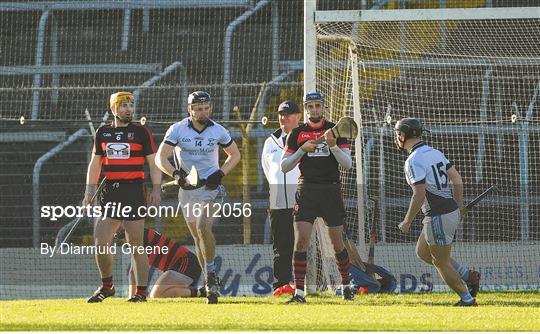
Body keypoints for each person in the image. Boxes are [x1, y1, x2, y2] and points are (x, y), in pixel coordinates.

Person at [155, 91, 241, 304]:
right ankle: (208, 282)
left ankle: (211, 277)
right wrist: (176, 174)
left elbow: (235, 154)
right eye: (199, 109)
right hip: (187, 190)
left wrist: (220, 173)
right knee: (197, 238)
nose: (203, 112)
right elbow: (160, 157)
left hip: (212, 189)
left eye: (206, 108)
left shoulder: (218, 130)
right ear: (190, 110)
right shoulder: (177, 129)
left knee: (204, 228)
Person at [84, 91, 162, 303]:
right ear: (113, 109)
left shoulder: (141, 132)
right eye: (124, 105)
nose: (128, 108)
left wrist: (157, 188)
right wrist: (88, 193)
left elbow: (153, 163)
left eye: (131, 104)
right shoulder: (102, 132)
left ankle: (141, 293)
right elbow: (95, 164)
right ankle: (107, 286)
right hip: (110, 192)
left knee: (135, 243)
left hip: (134, 191)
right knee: (101, 242)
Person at [394, 117, 480, 306]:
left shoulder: (412, 160)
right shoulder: (434, 152)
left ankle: (467, 298)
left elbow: (419, 194)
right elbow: (457, 179)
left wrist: (407, 221)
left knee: (441, 262)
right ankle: (467, 275)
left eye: (398, 133)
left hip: (438, 216)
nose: (397, 137)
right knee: (423, 252)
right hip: (446, 212)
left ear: (403, 135)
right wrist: (458, 206)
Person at [280, 92, 355, 303]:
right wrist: (302, 150)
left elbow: (347, 164)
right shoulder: (296, 133)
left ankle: (346, 284)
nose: (314, 110)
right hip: (307, 190)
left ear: (324, 107)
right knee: (301, 240)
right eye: (310, 106)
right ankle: (300, 293)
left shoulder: (336, 130)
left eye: (318, 105)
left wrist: (332, 145)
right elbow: (285, 166)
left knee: (337, 243)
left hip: (331, 190)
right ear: (305, 109)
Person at [261, 101, 302, 296]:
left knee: (304, 244)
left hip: (302, 201)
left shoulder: (305, 137)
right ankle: (281, 285)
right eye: (280, 114)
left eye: (288, 114)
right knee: (281, 246)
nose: (283, 118)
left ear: (298, 117)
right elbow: (268, 170)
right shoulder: (271, 141)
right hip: (278, 202)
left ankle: (306, 285)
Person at [127, 228, 203, 298]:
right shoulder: (137, 235)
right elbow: (134, 270)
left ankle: (201, 293)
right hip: (185, 264)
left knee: (156, 294)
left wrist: (133, 296)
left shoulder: (138, 236)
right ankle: (199, 293)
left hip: (186, 262)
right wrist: (132, 297)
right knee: (158, 294)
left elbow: (134, 271)